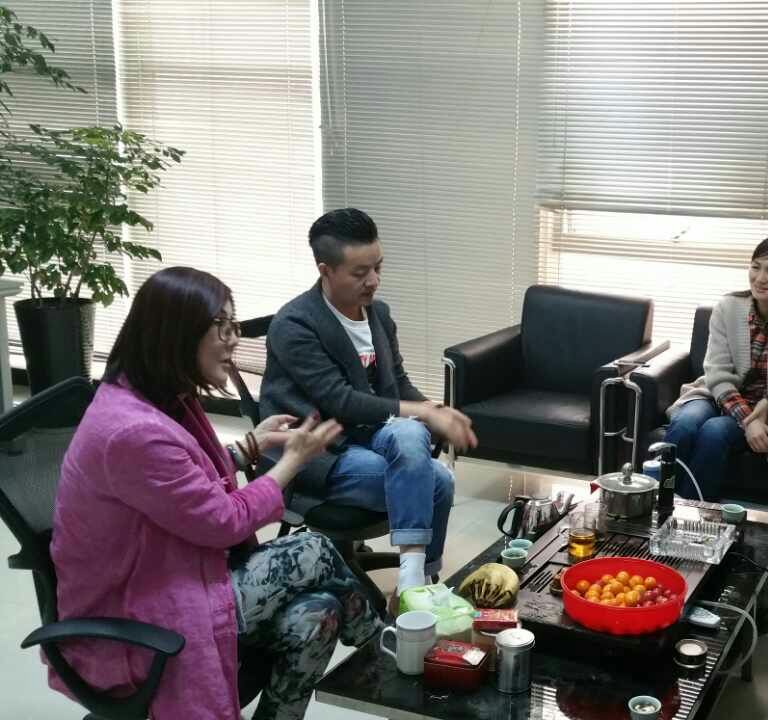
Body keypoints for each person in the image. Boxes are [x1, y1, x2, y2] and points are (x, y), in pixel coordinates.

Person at [50, 267, 382, 720]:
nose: (233, 340)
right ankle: (384, 655)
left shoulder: (158, 400)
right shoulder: (130, 431)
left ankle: (378, 656)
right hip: (136, 613)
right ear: (177, 334)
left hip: (173, 573)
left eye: (234, 324)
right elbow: (222, 521)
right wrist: (291, 462)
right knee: (313, 550)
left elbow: (181, 483)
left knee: (317, 614)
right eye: (221, 326)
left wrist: (252, 445)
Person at [260, 208, 477, 595]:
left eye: (378, 267)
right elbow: (340, 400)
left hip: (371, 435)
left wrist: (437, 411)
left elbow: (398, 384)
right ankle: (418, 586)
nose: (373, 281)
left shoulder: (378, 314)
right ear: (325, 270)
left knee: (411, 434)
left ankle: (412, 583)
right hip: (319, 450)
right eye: (360, 273)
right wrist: (422, 412)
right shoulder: (294, 324)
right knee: (437, 481)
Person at [663, 235, 768, 501]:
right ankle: (658, 506)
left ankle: (692, 516)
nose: (760, 278)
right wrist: (749, 421)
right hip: (716, 396)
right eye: (755, 267)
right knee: (684, 425)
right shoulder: (727, 307)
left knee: (714, 432)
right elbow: (717, 373)